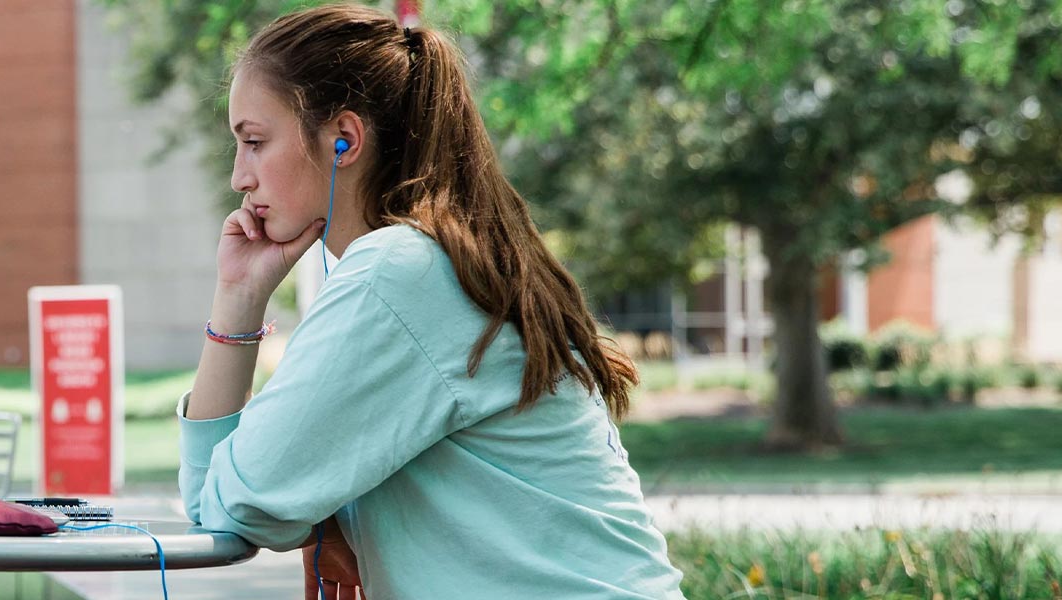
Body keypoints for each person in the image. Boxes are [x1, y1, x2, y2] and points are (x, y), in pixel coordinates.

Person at [176, 4, 687, 598]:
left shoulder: (399, 273)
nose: (240, 177)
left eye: (255, 142)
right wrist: (241, 294)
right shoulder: (444, 259)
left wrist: (235, 305)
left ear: (344, 139)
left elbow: (228, 507)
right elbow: (227, 502)